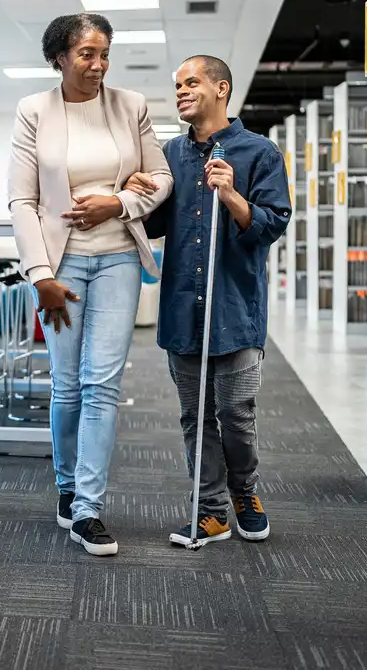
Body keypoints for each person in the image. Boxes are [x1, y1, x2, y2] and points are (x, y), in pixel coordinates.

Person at [8, 13, 172, 556]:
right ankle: (66, 486)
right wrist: (41, 276)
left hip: (120, 258)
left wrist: (120, 201)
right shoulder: (33, 111)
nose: (98, 65)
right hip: (63, 267)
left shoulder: (132, 106)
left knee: (102, 384)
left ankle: (87, 510)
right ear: (58, 56)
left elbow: (162, 178)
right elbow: (22, 201)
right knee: (67, 383)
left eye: (104, 54)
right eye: (86, 54)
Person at [125, 55, 291, 546]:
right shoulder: (169, 155)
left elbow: (273, 224)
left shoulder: (260, 152)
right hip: (183, 309)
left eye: (191, 83)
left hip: (235, 309)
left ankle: (245, 493)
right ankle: (211, 509)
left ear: (221, 89)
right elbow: (155, 226)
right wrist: (136, 192)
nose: (180, 91)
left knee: (236, 413)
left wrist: (232, 196)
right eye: (176, 85)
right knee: (195, 416)